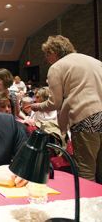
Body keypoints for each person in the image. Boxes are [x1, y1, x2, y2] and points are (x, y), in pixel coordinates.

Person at [31, 35, 102, 183]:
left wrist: (36, 106)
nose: (46, 58)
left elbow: (54, 103)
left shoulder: (57, 67)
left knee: (86, 169)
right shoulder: (95, 61)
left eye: (47, 54)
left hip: (87, 117)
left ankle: (87, 205)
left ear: (53, 52)